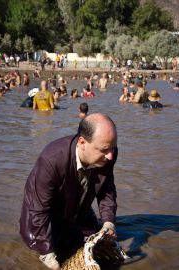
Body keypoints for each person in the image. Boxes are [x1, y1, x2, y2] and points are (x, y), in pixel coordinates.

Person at [20, 113, 118, 269]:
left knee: (101, 246)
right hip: (43, 213)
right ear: (82, 142)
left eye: (113, 148)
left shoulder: (108, 152)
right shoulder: (51, 158)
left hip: (79, 208)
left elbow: (106, 190)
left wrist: (108, 222)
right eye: (105, 150)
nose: (111, 156)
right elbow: (38, 211)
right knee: (44, 249)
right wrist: (47, 253)